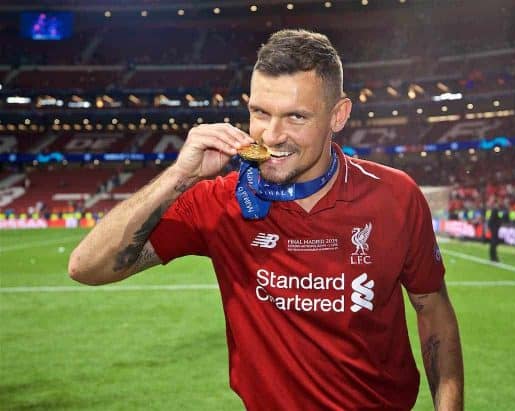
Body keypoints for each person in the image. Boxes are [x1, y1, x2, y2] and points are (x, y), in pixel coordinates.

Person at [69, 29, 463, 410]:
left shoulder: (395, 196)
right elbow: (86, 267)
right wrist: (179, 177)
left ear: (338, 115)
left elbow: (432, 307)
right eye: (260, 112)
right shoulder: (217, 202)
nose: (271, 135)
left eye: (296, 117)